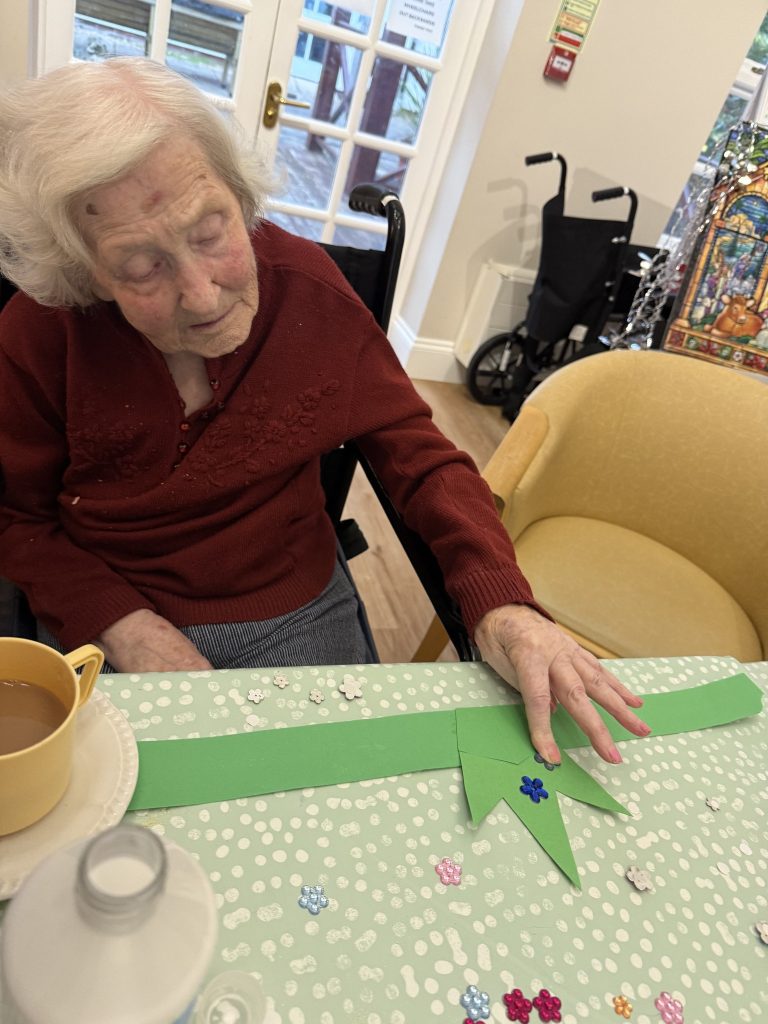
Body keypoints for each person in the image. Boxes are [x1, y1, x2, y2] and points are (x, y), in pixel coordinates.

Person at [0, 58, 649, 766]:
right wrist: (126, 628)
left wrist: (502, 601)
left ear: (239, 196)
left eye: (211, 230)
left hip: (289, 600)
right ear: (83, 268)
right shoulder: (40, 334)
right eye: (140, 266)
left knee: (342, 798)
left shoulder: (311, 293)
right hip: (109, 602)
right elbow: (17, 519)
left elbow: (420, 456)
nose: (204, 294)